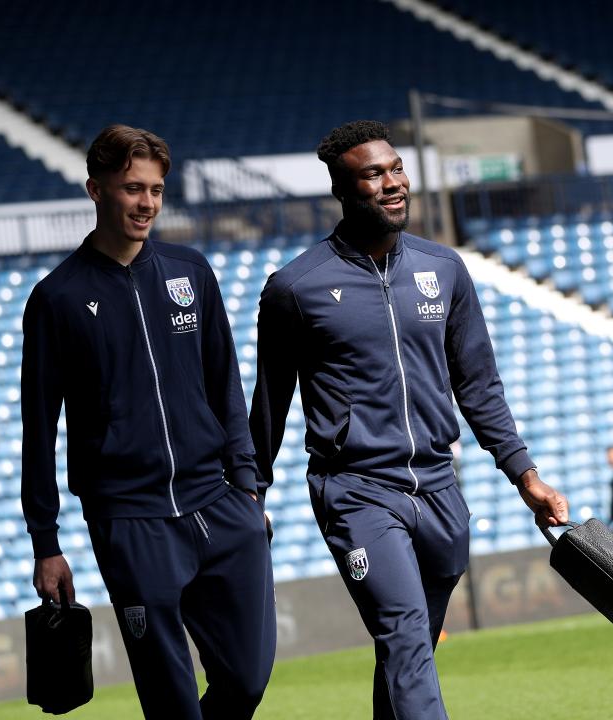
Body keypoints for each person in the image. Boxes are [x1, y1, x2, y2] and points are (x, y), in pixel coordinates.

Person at [249, 120, 568, 720]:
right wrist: (250, 492)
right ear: (343, 191)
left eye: (396, 169)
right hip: (357, 491)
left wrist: (525, 475)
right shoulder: (295, 288)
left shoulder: (444, 269)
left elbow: (479, 386)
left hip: (442, 491)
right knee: (402, 632)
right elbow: (269, 403)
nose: (393, 183)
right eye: (374, 174)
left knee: (409, 650)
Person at [21, 124, 275, 719]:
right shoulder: (57, 298)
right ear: (96, 189)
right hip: (130, 520)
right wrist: (46, 543)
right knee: (171, 701)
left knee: (247, 678)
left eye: (157, 190)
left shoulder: (192, 270)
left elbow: (226, 385)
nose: (147, 204)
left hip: (219, 504)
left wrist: (248, 486)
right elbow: (39, 428)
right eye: (133, 188)